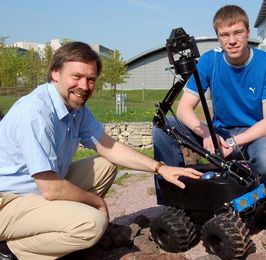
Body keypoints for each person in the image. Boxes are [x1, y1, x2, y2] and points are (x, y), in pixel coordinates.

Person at [0, 41, 201, 259]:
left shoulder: (75, 108)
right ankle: (12, 249)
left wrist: (160, 168)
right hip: (8, 201)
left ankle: (56, 229)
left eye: (91, 79)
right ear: (55, 73)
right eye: (76, 77)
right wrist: (96, 202)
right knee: (92, 224)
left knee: (105, 166)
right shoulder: (35, 113)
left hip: (37, 189)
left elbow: (109, 147)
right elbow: (51, 189)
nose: (84, 86)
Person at [153, 5, 266, 200]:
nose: (232, 41)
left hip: (254, 135)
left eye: (237, 32)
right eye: (225, 35)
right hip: (218, 133)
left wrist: (233, 142)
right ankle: (174, 193)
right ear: (218, 37)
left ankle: (251, 189)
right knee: (163, 126)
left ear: (248, 32)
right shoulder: (209, 61)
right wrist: (207, 133)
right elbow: (183, 109)